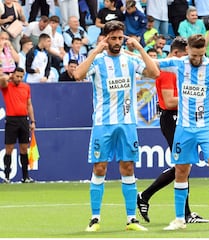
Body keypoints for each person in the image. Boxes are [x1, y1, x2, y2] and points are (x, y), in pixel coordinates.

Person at [72, 20, 159, 232]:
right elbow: (77, 75)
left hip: (128, 123)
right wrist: (94, 51)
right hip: (103, 123)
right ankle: (94, 218)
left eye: (120, 38)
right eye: (113, 38)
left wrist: (139, 48)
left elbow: (154, 73)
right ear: (105, 39)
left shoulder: (130, 60)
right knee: (100, 167)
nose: (118, 42)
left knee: (128, 167)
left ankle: (131, 219)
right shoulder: (98, 60)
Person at [158, 34, 209, 230]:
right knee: (181, 170)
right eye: (194, 55)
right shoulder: (178, 64)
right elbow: (152, 63)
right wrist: (131, 50)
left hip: (207, 126)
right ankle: (179, 219)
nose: (197, 59)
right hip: (184, 127)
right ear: (187, 50)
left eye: (201, 55)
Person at [137, 36, 209, 224]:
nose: (190, 59)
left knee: (184, 165)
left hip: (179, 118)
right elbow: (169, 102)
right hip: (172, 118)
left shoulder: (177, 70)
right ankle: (147, 196)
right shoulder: (169, 72)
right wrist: (194, 97)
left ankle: (182, 211)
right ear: (176, 53)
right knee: (182, 165)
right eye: (186, 54)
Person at [0, 67, 36, 183]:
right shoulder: (7, 86)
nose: (19, 79)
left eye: (21, 77)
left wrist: (32, 121)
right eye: (17, 76)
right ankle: (7, 176)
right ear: (13, 75)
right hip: (11, 120)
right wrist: (9, 76)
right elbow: (2, 80)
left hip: (23, 120)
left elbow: (29, 104)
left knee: (24, 148)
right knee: (9, 148)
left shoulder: (26, 87)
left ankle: (25, 176)